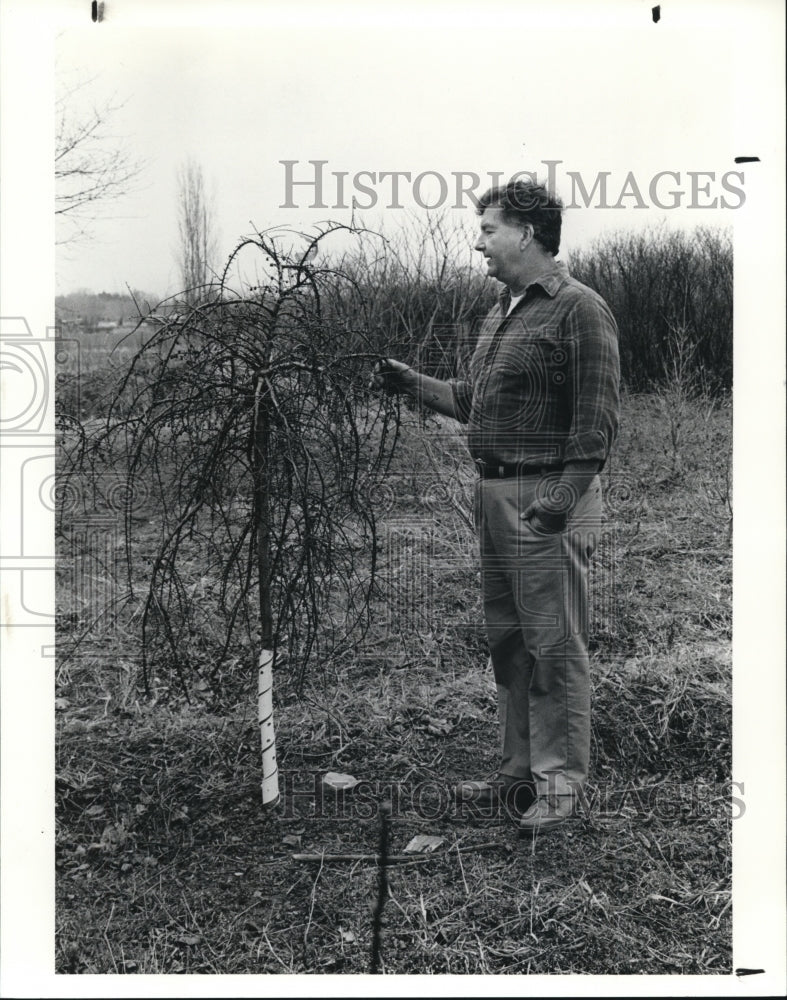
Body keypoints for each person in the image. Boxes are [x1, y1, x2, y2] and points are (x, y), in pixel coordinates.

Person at [373, 178, 620, 835]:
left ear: (527, 234)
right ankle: (517, 778)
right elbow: (472, 402)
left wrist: (557, 503)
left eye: (487, 229)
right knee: (510, 646)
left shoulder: (578, 309)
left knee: (553, 647)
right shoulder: (500, 312)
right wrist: (413, 384)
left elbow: (595, 426)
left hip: (547, 499)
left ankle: (560, 789)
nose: (477, 241)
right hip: (494, 495)